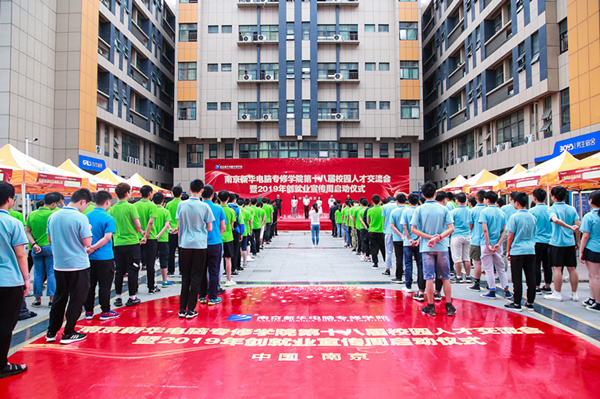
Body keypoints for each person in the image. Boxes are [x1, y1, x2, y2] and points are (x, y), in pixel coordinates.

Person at [46, 188, 93, 344]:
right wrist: (89, 230)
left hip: (59, 265)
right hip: (78, 265)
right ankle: (69, 332)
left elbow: (50, 239)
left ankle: (51, 332)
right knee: (76, 299)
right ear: (82, 201)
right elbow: (87, 243)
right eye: (86, 205)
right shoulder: (80, 218)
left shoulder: (53, 216)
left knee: (59, 298)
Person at [410, 182, 456, 317]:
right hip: (442, 247)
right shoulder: (444, 209)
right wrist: (438, 237)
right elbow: (451, 228)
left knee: (429, 277)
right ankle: (449, 305)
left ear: (422, 195)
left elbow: (413, 229)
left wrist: (430, 237)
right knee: (445, 277)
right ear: (435, 194)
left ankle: (430, 306)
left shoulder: (419, 209)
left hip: (426, 248)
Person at [0, 181, 29, 378]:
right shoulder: (13, 222)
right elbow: (21, 254)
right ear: (10, 199)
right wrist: (27, 278)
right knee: (5, 324)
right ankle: (2, 365)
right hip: (9, 281)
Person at [176, 179, 214, 319]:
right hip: (199, 245)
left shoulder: (181, 205)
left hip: (185, 244)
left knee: (185, 277)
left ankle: (181, 309)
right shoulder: (205, 207)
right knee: (196, 277)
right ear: (202, 190)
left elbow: (179, 227)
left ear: (190, 188)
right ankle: (191, 309)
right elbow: (209, 228)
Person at [84, 190, 119, 321]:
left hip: (88, 257)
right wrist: (94, 247)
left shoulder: (85, 216)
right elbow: (107, 237)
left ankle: (88, 311)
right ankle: (105, 310)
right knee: (105, 285)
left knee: (90, 285)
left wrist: (90, 248)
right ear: (107, 202)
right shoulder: (108, 218)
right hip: (105, 257)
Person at [109, 183, 145, 308]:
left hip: (118, 242)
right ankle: (132, 297)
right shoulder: (131, 207)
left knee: (119, 270)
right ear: (126, 193)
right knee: (133, 269)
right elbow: (138, 226)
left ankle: (118, 297)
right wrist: (134, 233)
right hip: (131, 242)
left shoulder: (112, 209)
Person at [25, 192, 62, 307]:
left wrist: (34, 243)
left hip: (36, 248)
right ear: (54, 203)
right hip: (51, 247)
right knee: (51, 273)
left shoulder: (32, 215)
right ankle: (51, 299)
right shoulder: (55, 213)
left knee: (37, 273)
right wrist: (62, 203)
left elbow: (27, 231)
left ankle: (37, 299)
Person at [544, 186, 581, 302]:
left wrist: (569, 227)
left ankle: (557, 293)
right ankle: (574, 294)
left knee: (557, 268)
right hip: (570, 242)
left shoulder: (552, 209)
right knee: (572, 268)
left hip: (556, 243)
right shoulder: (572, 209)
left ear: (553, 197)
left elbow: (555, 220)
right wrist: (577, 241)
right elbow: (578, 225)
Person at [505, 192, 537, 311]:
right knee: (531, 277)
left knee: (517, 277)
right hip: (530, 249)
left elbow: (510, 236)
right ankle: (530, 302)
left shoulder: (514, 217)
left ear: (517, 203)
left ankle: (517, 302)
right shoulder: (532, 217)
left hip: (517, 250)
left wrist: (508, 250)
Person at [479, 191, 512, 299]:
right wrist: (498, 243)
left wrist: (488, 244)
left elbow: (485, 229)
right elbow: (504, 230)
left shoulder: (484, 212)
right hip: (498, 244)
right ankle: (506, 290)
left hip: (486, 243)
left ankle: (492, 290)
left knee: (488, 268)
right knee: (500, 267)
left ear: (487, 200)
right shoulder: (501, 212)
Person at [199, 185, 226, 305]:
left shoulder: (197, 207)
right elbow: (223, 227)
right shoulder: (218, 208)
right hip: (215, 243)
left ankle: (202, 296)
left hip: (200, 243)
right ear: (212, 195)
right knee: (214, 270)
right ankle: (213, 297)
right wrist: (217, 236)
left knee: (202, 270)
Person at [135, 185, 160, 294]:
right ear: (150, 193)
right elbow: (150, 222)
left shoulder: (134, 205)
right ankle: (151, 286)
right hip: (151, 238)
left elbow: (135, 221)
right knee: (150, 264)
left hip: (137, 237)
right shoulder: (152, 206)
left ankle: (134, 287)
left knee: (136, 263)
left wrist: (141, 232)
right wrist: (147, 235)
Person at [580, 191, 600, 312]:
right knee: (594, 276)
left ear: (591, 201)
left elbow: (585, 236)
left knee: (594, 276)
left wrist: (581, 251)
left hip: (592, 248)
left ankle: (598, 302)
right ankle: (592, 298)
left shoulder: (589, 216)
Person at [529, 188, 553, 294]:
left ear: (534, 198)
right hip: (549, 241)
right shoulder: (550, 210)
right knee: (547, 264)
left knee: (536, 264)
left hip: (536, 240)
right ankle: (548, 285)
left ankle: (537, 286)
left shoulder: (532, 212)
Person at [401, 194, 423, 295]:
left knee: (408, 264)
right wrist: (418, 238)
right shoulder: (421, 210)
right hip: (420, 241)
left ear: (408, 201)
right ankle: (420, 287)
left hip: (407, 242)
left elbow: (405, 227)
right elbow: (423, 227)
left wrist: (409, 238)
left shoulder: (405, 211)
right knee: (420, 265)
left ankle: (408, 285)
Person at [467, 190, 486, 292]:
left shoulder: (473, 211)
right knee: (488, 263)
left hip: (476, 239)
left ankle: (477, 283)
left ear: (477, 199)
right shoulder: (489, 210)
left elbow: (471, 226)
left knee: (477, 263)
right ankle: (490, 283)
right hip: (491, 241)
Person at [450, 193, 471, 283]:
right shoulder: (470, 211)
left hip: (456, 235)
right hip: (468, 235)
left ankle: (458, 276)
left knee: (457, 257)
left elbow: (450, 225)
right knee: (466, 257)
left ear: (457, 200)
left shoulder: (453, 212)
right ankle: (468, 276)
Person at [152, 193, 172, 287]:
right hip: (163, 239)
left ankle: (150, 280)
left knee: (151, 260)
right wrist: (159, 235)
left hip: (151, 238)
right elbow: (166, 225)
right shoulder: (165, 212)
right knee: (164, 259)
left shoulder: (151, 210)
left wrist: (155, 235)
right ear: (162, 201)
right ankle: (164, 280)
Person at [218, 191, 237, 287]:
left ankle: (217, 280)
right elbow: (232, 225)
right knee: (228, 258)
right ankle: (228, 279)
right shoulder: (231, 211)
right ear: (228, 199)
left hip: (217, 237)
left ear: (218, 198)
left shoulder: (216, 209)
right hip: (228, 237)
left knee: (217, 260)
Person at [389, 194, 406, 282]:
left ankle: (398, 277)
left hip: (397, 239)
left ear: (397, 201)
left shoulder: (394, 212)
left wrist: (400, 235)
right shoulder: (409, 210)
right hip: (410, 239)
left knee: (399, 258)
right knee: (408, 258)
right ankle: (409, 277)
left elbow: (392, 225)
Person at [166, 185, 183, 277]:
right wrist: (178, 228)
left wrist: (170, 228)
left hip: (171, 231)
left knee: (171, 251)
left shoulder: (168, 204)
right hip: (180, 231)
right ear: (181, 193)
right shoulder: (183, 204)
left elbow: (166, 219)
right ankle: (181, 270)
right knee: (181, 251)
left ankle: (170, 270)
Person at [367, 195, 386, 269]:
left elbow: (368, 221)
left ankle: (375, 263)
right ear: (380, 201)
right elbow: (384, 219)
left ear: (372, 201)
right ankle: (386, 261)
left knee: (374, 247)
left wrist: (371, 226)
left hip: (372, 231)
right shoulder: (383, 209)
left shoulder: (370, 210)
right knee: (383, 247)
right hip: (381, 231)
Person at [382, 195, 399, 276]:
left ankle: (387, 269)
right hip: (398, 232)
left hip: (388, 230)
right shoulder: (399, 206)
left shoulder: (385, 206)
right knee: (399, 252)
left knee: (388, 251)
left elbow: (384, 219)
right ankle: (401, 269)